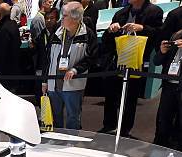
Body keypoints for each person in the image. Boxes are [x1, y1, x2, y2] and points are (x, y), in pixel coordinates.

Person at [100, 0, 163, 137]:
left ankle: (124, 130)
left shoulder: (154, 11)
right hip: (117, 60)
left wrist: (142, 28)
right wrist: (111, 29)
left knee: (130, 97)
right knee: (111, 95)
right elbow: (107, 40)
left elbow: (159, 34)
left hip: (136, 61)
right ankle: (108, 125)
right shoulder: (121, 13)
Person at [42, 2, 97, 129]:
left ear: (75, 18)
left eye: (65, 16)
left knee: (73, 116)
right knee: (55, 116)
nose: (62, 18)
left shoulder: (87, 34)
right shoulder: (57, 32)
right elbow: (48, 58)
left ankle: (71, 144)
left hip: (73, 85)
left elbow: (91, 58)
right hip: (53, 84)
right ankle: (57, 142)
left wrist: (76, 69)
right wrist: (44, 81)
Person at [153, 27, 182, 148]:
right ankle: (160, 143)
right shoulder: (175, 36)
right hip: (169, 85)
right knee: (163, 118)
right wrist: (162, 51)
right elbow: (156, 61)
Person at [0, 4, 21, 91]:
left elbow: (0, 52)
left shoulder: (2, 28)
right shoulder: (13, 24)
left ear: (0, 14)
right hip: (15, 67)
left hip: (4, 71)